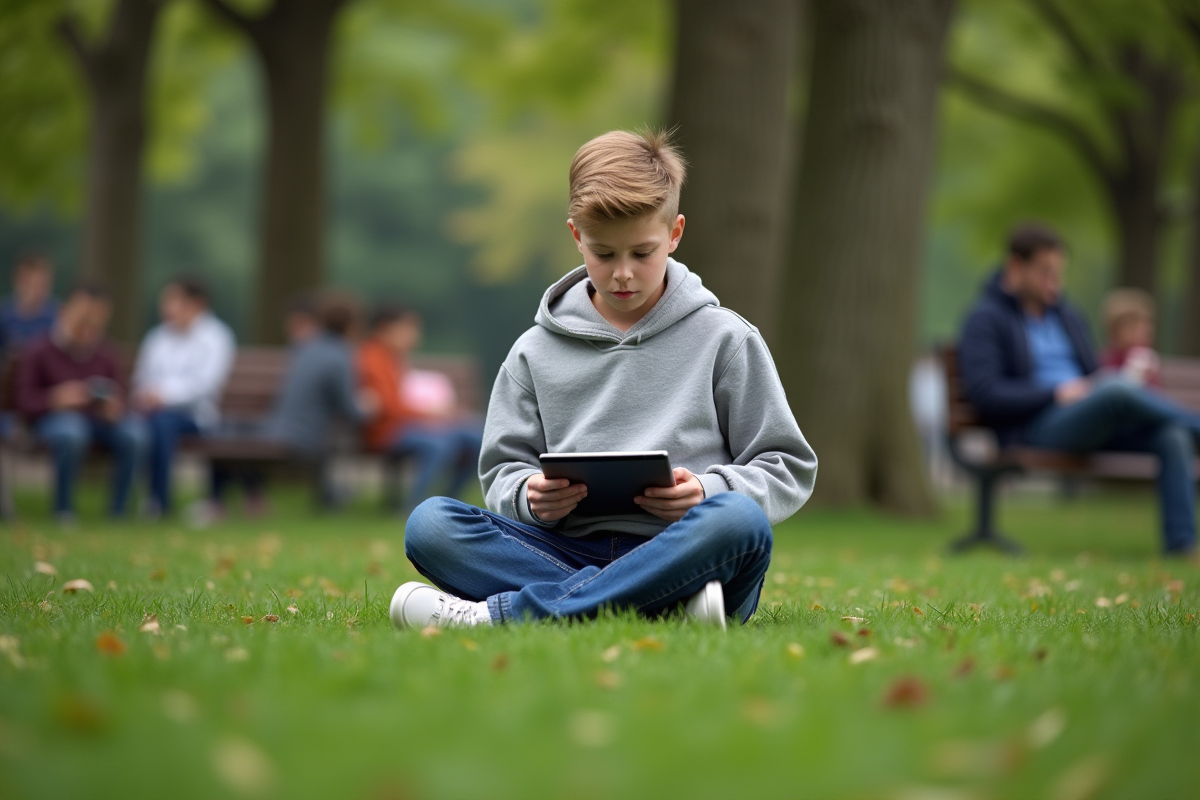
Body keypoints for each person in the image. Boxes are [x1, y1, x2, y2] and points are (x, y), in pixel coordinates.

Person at [388, 130, 818, 631]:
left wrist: (707, 488)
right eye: (604, 254)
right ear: (576, 236)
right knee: (432, 525)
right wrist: (530, 495)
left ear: (675, 233)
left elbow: (786, 464)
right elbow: (503, 470)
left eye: (642, 253)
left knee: (737, 521)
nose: (622, 274)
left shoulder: (726, 338)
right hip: (562, 550)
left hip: (686, 544)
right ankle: (664, 606)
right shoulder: (533, 352)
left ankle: (503, 616)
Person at [959, 223, 1200, 556]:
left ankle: (1181, 548)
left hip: (1093, 417)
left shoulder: (1067, 315)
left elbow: (1093, 374)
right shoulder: (986, 319)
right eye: (1045, 272)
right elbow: (987, 394)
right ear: (1016, 267)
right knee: (1116, 388)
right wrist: (1056, 393)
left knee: (1172, 434)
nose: (1054, 283)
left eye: (1059, 273)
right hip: (1039, 425)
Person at [15, 284, 147, 522]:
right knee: (71, 431)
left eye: (97, 321)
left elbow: (121, 394)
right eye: (85, 318)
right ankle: (64, 510)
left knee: (135, 434)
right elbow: (24, 400)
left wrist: (114, 408)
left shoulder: (105, 352)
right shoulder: (39, 350)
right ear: (65, 311)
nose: (90, 327)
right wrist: (55, 399)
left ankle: (119, 513)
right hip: (52, 421)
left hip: (99, 422)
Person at [358, 305, 483, 510]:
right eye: (407, 329)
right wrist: (431, 414)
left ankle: (449, 504)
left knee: (474, 436)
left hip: (408, 425)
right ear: (384, 328)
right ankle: (414, 507)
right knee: (440, 443)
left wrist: (441, 415)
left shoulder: (393, 357)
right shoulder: (372, 358)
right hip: (386, 432)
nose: (414, 336)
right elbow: (390, 409)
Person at [132, 277, 235, 516]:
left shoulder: (215, 337)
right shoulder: (157, 337)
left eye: (173, 300)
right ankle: (138, 499)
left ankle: (158, 501)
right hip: (153, 413)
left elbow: (206, 385)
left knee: (161, 424)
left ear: (196, 304)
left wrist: (163, 396)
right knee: (140, 427)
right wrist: (146, 395)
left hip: (197, 416)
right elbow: (140, 379)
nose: (166, 307)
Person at [0, 252, 58, 358]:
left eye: (42, 284)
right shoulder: (4, 316)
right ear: (18, 281)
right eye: (31, 284)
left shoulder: (58, 316)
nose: (37, 290)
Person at [1099, 288, 1161, 387]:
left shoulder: (1147, 357)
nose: (1147, 331)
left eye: (1148, 324)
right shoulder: (1106, 360)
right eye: (1135, 327)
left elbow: (1156, 395)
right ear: (1118, 330)